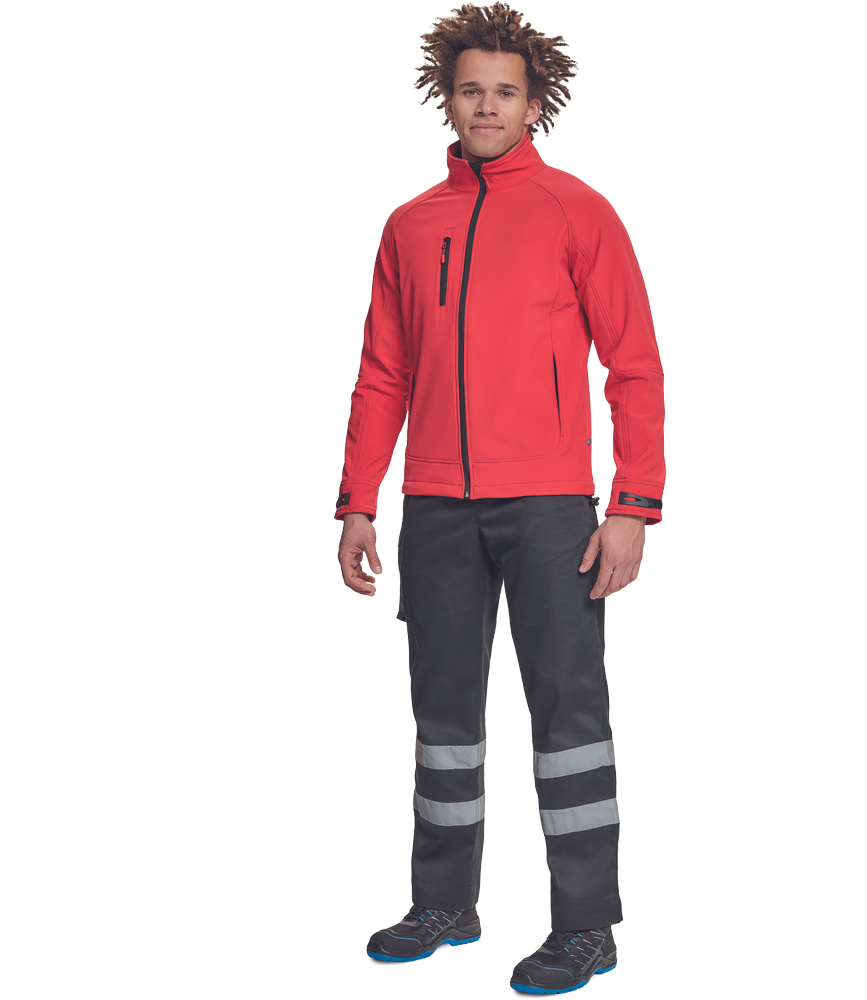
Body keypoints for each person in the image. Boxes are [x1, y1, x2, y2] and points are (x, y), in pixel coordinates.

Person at [335, 4, 664, 995]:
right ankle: (444, 904)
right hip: (436, 506)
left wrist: (631, 504)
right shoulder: (408, 226)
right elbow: (382, 373)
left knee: (569, 714)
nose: (486, 106)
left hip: (552, 507)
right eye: (471, 90)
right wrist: (358, 500)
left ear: (534, 103)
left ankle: (586, 926)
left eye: (505, 92)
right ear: (447, 97)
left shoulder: (577, 211)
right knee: (441, 715)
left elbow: (634, 365)